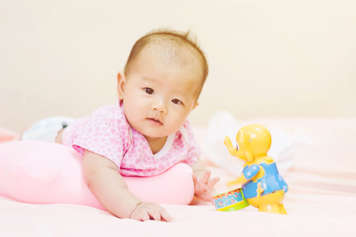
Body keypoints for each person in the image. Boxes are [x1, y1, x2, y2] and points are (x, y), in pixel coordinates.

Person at [22, 29, 219, 222]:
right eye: (149, 90)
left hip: (80, 130)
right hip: (51, 135)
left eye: (176, 101)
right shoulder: (112, 125)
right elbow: (98, 173)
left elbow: (193, 162)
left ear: (191, 107)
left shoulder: (182, 134)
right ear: (123, 87)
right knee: (22, 154)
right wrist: (132, 207)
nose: (160, 107)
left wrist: (200, 180)